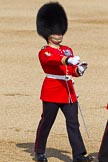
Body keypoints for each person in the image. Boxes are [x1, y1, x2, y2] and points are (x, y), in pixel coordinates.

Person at [34, 2, 93, 162]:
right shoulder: (44, 51)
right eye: (55, 32)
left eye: (61, 32)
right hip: (52, 91)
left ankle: (79, 154)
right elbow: (54, 60)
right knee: (46, 122)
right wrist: (68, 60)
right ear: (47, 33)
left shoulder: (67, 49)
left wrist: (78, 70)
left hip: (68, 92)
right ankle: (39, 152)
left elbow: (69, 70)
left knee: (73, 124)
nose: (59, 35)